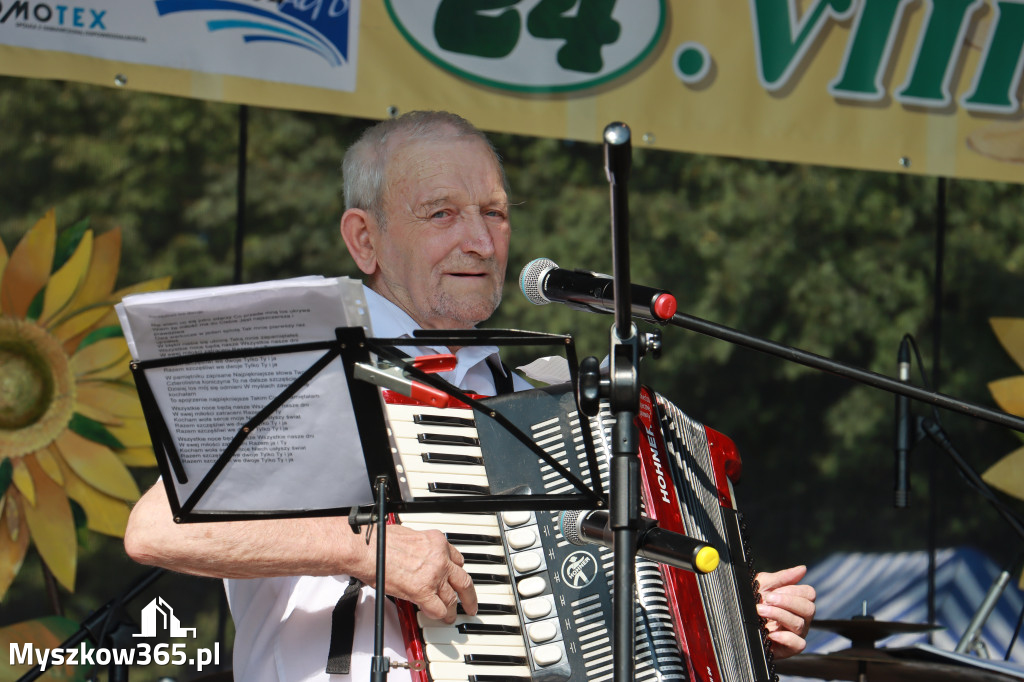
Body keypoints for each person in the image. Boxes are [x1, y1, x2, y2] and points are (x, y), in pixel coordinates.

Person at [124, 111, 816, 681]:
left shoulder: (536, 403)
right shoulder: (310, 365)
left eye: (495, 213)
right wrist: (365, 549)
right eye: (442, 214)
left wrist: (727, 621)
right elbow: (157, 527)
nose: (480, 241)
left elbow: (593, 608)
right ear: (365, 239)